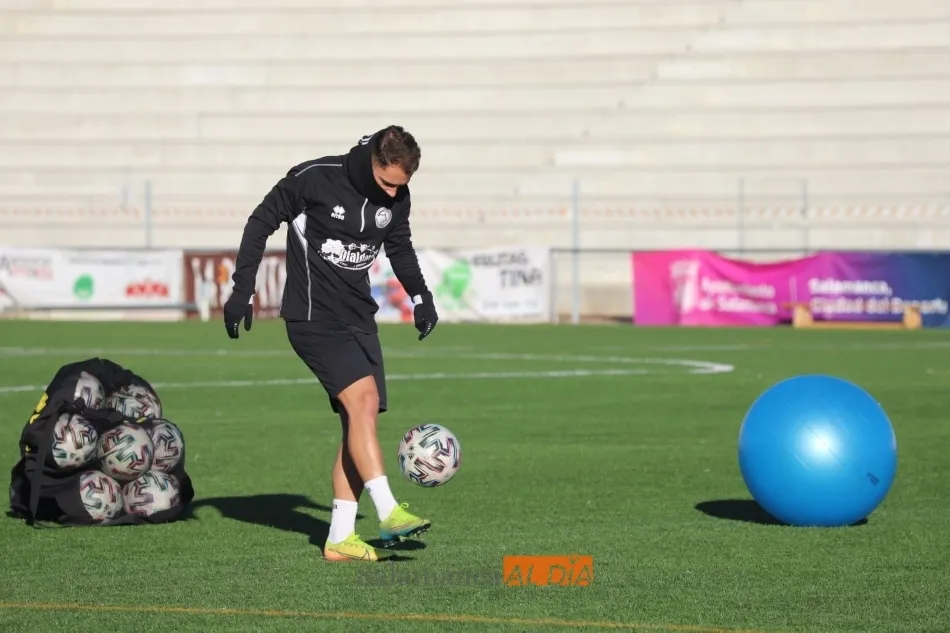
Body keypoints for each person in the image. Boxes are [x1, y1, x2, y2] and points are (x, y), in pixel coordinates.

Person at [221, 126, 439, 562]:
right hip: (312, 316)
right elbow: (260, 220)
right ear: (371, 162)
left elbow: (400, 246)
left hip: (359, 317)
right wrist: (242, 289)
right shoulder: (314, 178)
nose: (395, 194)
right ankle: (388, 509)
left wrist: (420, 295)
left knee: (360, 422)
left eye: (402, 187)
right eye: (387, 184)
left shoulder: (397, 196)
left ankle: (340, 538)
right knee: (362, 401)